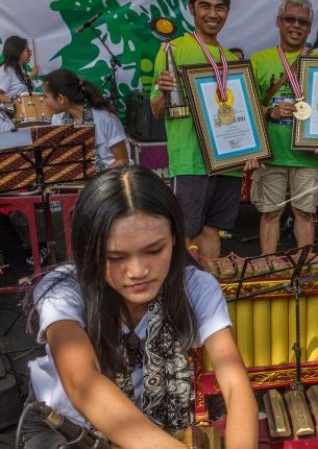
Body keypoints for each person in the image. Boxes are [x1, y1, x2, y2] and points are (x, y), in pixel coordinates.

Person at [22, 166, 258, 448]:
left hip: (153, 427)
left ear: (174, 238)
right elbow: (83, 382)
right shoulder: (64, 289)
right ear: (89, 251)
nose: (137, 270)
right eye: (115, 257)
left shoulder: (196, 286)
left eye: (154, 250)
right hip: (66, 429)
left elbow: (235, 385)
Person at [151, 0, 257, 258]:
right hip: (191, 160)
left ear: (228, 11)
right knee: (185, 232)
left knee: (213, 230)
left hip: (227, 161)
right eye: (205, 6)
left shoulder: (231, 61)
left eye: (220, 8)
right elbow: (156, 110)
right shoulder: (173, 49)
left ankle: (212, 292)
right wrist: (163, 91)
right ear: (191, 8)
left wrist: (251, 148)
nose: (213, 14)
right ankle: (183, 298)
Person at [250, 0, 318, 255]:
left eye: (303, 22)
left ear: (310, 27)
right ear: (278, 22)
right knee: (271, 213)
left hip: (307, 156)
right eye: (290, 19)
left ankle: (302, 273)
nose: (296, 26)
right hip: (271, 153)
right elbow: (248, 108)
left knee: (304, 214)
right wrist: (270, 111)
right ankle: (267, 268)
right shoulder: (259, 61)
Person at [45, 69, 131, 171]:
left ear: (60, 98)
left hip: (107, 180)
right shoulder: (57, 119)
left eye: (46, 97)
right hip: (75, 180)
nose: (44, 101)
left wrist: (96, 181)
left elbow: (122, 160)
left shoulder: (106, 119)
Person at [0, 35, 39, 131]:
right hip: (7, 121)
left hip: (20, 119)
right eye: (27, 51)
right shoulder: (6, 70)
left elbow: (18, 84)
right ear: (18, 52)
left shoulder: (19, 71)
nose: (30, 53)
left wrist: (32, 74)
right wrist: (15, 102)